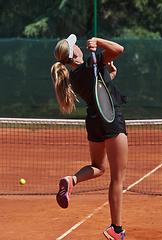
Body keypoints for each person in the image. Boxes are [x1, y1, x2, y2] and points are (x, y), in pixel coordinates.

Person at [50, 34, 127, 240]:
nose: (78, 47)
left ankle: (72, 179)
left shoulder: (72, 78)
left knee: (99, 167)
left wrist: (108, 74)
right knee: (117, 178)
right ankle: (116, 230)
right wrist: (99, 41)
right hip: (110, 117)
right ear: (74, 53)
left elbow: (97, 88)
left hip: (93, 120)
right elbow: (119, 49)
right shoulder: (92, 62)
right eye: (75, 46)